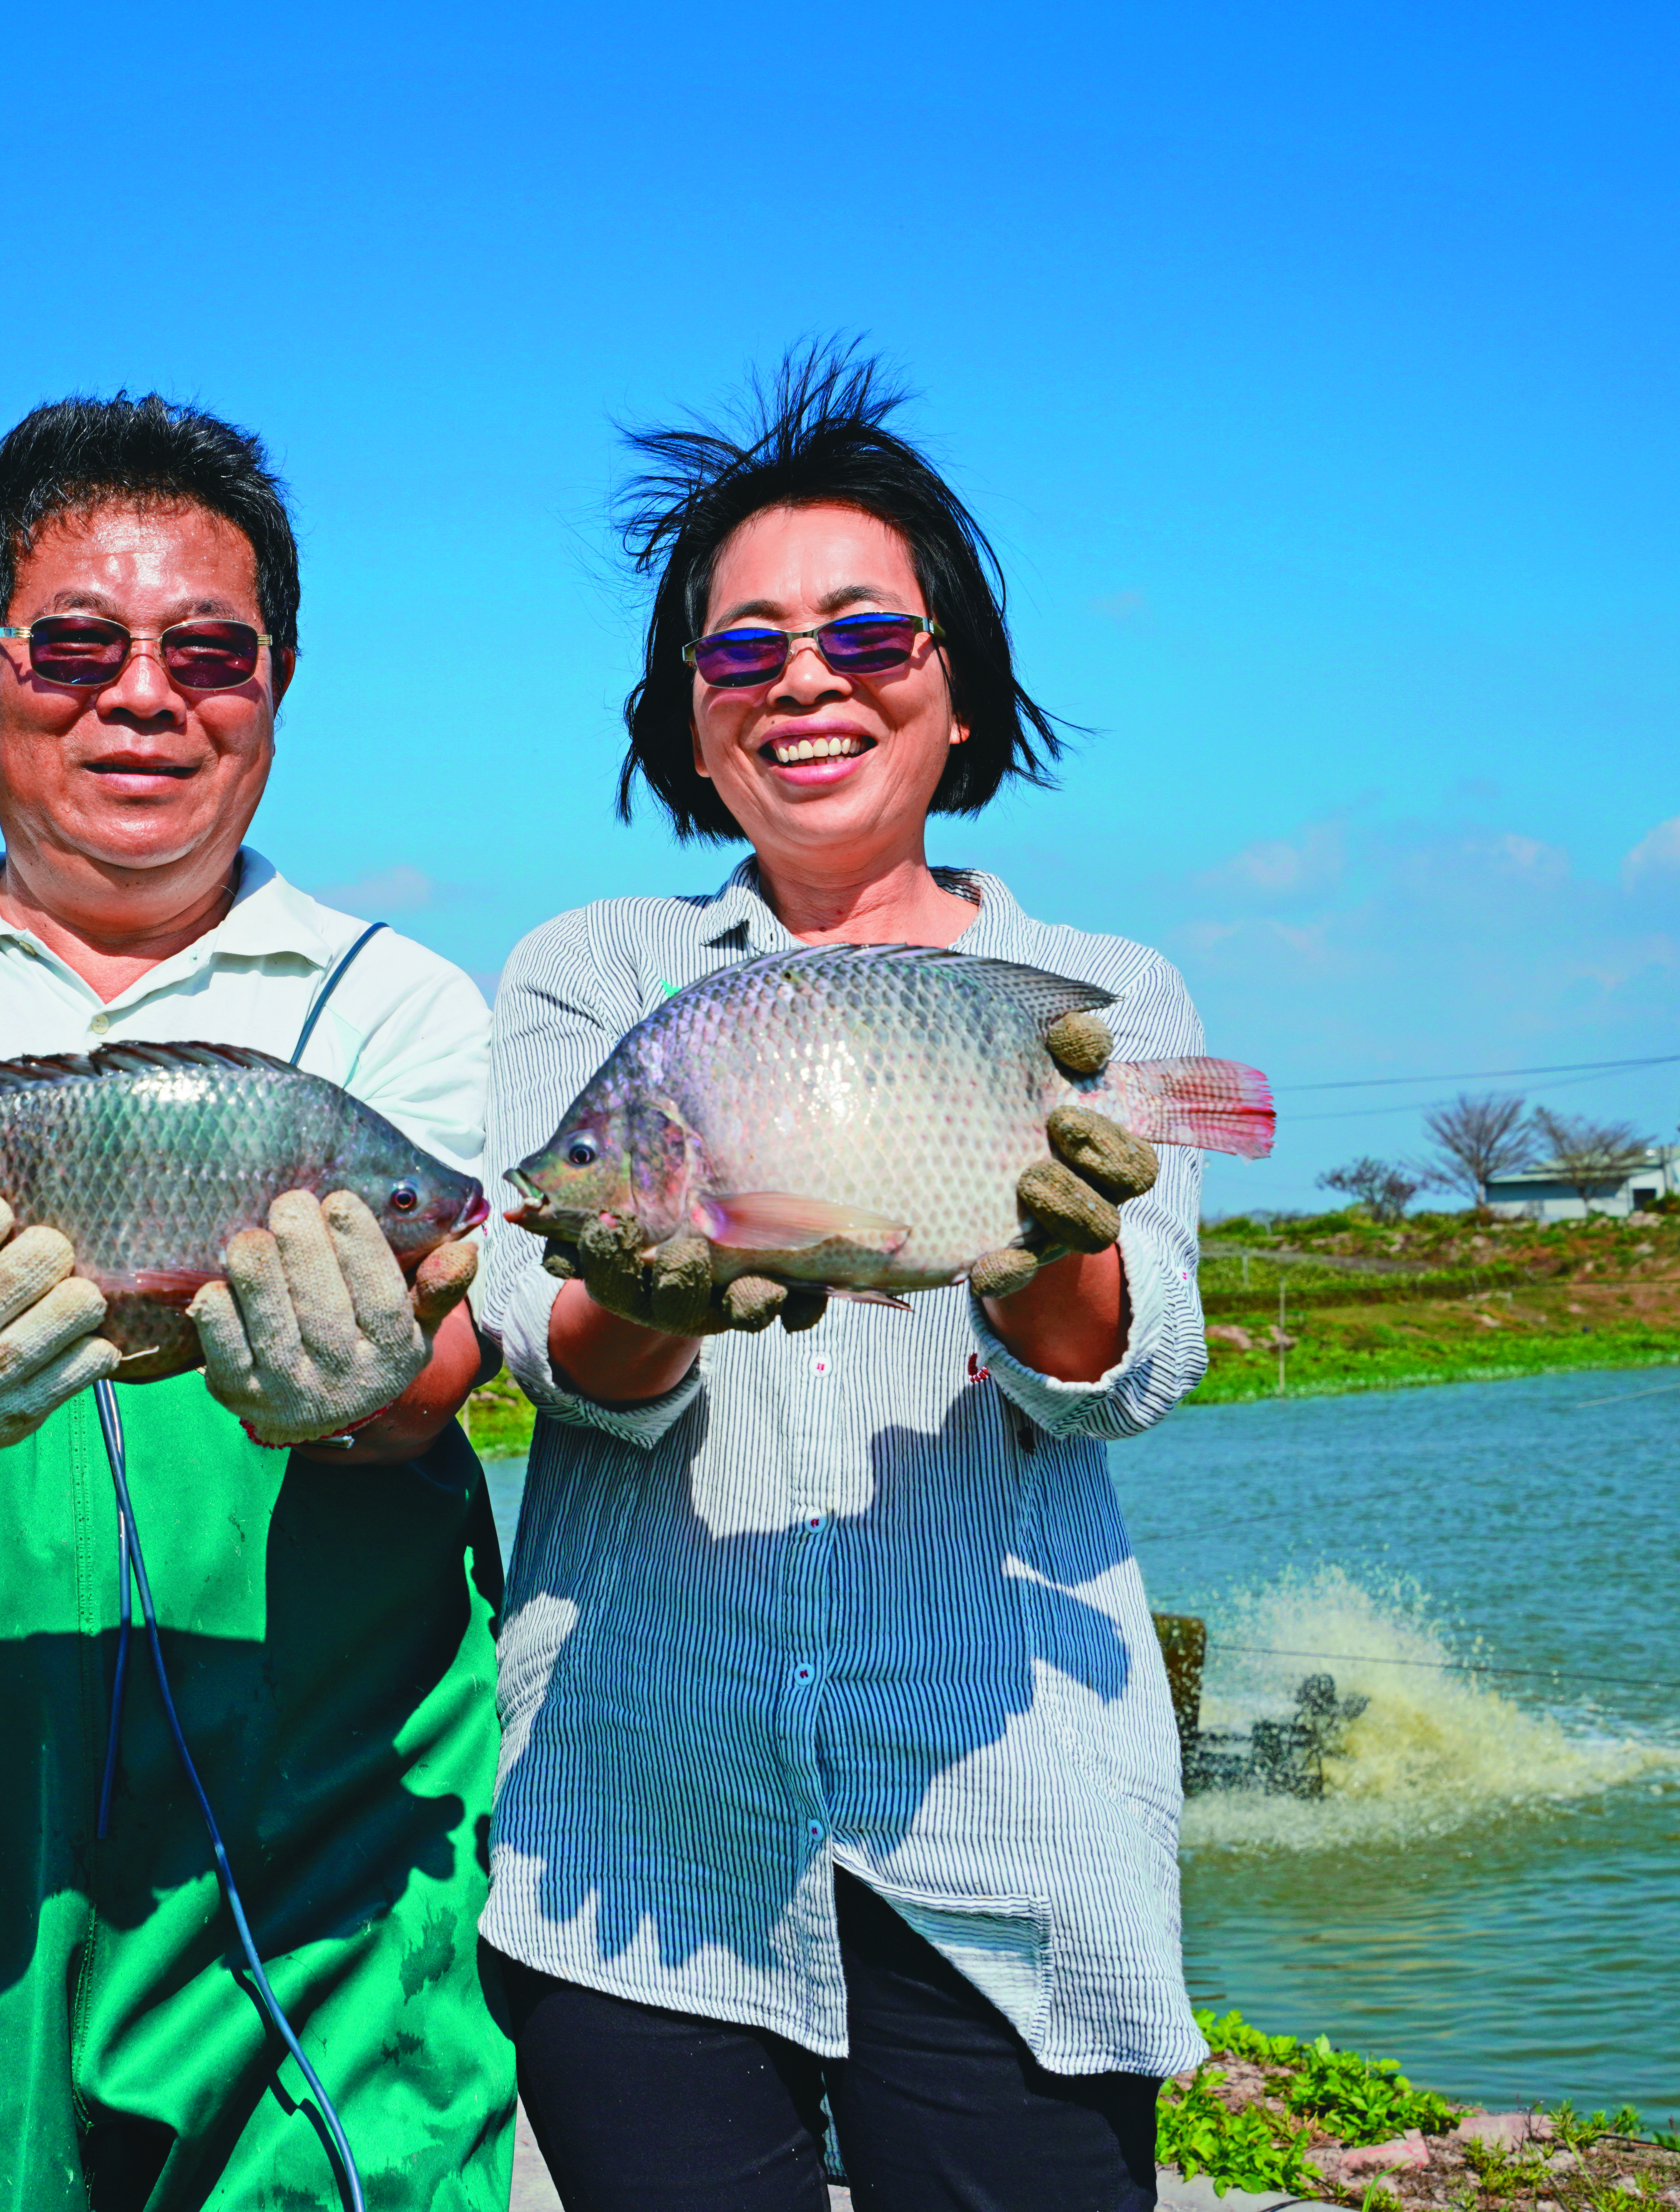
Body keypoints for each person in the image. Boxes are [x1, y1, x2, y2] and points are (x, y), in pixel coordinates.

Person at [0, 393, 516, 2211]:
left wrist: (368, 1387)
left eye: (206, 652)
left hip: (334, 1873)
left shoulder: (398, 1006)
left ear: (276, 680)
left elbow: (447, 1363)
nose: (141, 695)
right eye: (74, 644)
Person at [477, 349, 1212, 2212]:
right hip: (635, 1830)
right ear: (686, 717)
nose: (806, 680)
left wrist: (1045, 1259)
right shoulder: (595, 968)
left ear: (957, 689)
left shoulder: (1096, 995)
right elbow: (544, 1345)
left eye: (867, 635)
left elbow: (1115, 1376)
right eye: (743, 651)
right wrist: (651, 1285)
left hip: (1005, 1824)